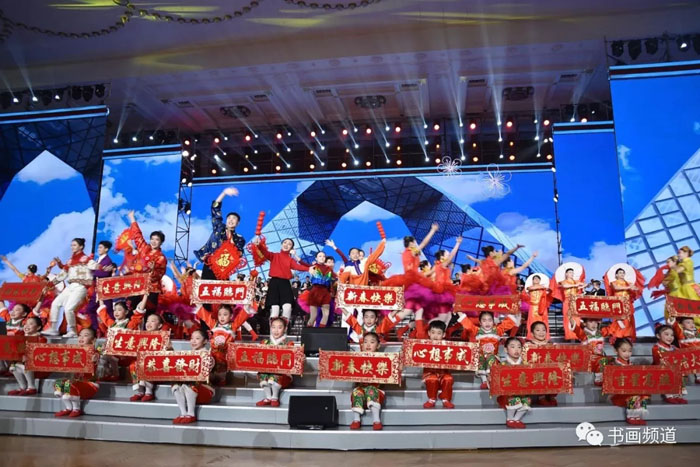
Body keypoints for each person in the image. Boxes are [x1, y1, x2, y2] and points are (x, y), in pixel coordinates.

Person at [455, 310, 520, 389]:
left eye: (490, 320)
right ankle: (484, 381)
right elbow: (467, 323)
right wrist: (458, 311)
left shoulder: (497, 330)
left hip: (493, 358)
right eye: (484, 320)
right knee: (481, 359)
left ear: (493, 321)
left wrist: (513, 310)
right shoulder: (477, 331)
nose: (487, 323)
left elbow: (507, 323)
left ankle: (491, 379)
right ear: (480, 322)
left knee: (491, 358)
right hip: (481, 358)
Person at [250, 237, 309, 322]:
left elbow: (298, 267)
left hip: (285, 284)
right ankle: (273, 329)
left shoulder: (290, 260)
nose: (286, 245)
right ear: (281, 244)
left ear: (291, 248)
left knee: (287, 307)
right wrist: (259, 245)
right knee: (275, 309)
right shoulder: (274, 255)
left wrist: (309, 269)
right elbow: (265, 252)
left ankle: (285, 328)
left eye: (289, 244)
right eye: (285, 242)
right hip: (274, 283)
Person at [44, 238, 93, 337]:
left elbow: (95, 266)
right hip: (71, 286)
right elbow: (62, 275)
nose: (72, 247)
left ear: (81, 247)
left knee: (68, 309)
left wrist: (103, 268)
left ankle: (73, 331)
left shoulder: (86, 259)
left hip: (80, 287)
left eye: (74, 245)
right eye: (71, 245)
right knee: (55, 303)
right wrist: (50, 285)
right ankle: (53, 328)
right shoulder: (70, 261)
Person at [194, 187, 244, 280]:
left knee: (221, 288)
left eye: (234, 219)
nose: (231, 220)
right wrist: (224, 193)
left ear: (238, 223)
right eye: (229, 218)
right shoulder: (219, 227)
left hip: (223, 269)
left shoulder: (239, 238)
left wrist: (231, 239)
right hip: (209, 265)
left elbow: (239, 253)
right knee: (207, 287)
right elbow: (215, 208)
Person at [600, 338, 650, 425]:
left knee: (642, 395)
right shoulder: (613, 365)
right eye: (624, 351)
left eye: (630, 351)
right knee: (633, 396)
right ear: (616, 351)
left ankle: (637, 415)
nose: (627, 354)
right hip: (618, 394)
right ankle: (631, 416)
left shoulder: (632, 365)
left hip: (629, 391)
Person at [53, 327, 100, 417]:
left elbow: (95, 359)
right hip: (75, 381)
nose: (81, 337)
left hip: (89, 384)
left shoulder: (94, 353)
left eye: (85, 335)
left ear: (93, 340)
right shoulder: (74, 352)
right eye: (80, 335)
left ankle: (76, 408)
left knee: (71, 385)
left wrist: (93, 360)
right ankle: (68, 408)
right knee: (59, 382)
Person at [172, 329, 215, 424]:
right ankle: (183, 413)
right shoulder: (188, 354)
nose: (193, 341)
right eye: (192, 338)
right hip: (189, 390)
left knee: (190, 383)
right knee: (175, 384)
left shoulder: (207, 355)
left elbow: (210, 376)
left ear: (205, 341)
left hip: (204, 390)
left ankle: (191, 414)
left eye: (197, 338)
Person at [126, 211, 167, 311]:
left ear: (161, 242)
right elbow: (137, 235)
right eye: (152, 239)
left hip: (151, 289)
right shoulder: (143, 248)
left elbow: (159, 274)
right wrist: (132, 218)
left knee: (148, 312)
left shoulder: (161, 257)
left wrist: (152, 270)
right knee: (130, 309)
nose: (154, 241)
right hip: (136, 284)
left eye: (157, 239)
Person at [493, 337, 532, 429]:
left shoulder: (525, 364)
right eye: (513, 347)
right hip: (507, 395)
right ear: (506, 349)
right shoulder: (503, 365)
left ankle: (516, 419)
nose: (516, 350)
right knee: (515, 399)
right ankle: (509, 419)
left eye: (519, 347)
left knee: (527, 401)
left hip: (521, 392)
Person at [415, 320, 455, 409]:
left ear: (444, 335)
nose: (435, 336)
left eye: (439, 333)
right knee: (432, 379)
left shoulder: (448, 346)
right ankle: (432, 399)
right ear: (429, 333)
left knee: (448, 379)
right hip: (429, 373)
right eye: (433, 332)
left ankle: (445, 399)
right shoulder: (424, 345)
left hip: (444, 373)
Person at [256, 317, 295, 407]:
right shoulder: (264, 342)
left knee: (275, 374)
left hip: (283, 375)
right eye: (273, 327)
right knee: (262, 374)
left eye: (279, 327)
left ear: (285, 329)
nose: (276, 330)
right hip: (268, 372)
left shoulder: (288, 344)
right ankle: (268, 397)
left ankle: (275, 397)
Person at [350, 332, 385, 430]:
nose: (368, 345)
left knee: (371, 389)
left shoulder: (383, 359)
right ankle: (356, 419)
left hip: (376, 391)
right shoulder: (357, 358)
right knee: (357, 392)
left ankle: (376, 420)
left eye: (372, 342)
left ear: (378, 345)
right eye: (365, 342)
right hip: (361, 389)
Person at [129, 313, 165, 402]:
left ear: (159, 325)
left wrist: (167, 348)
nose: (149, 323)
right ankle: (140, 391)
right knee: (133, 365)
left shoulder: (163, 337)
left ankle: (149, 392)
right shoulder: (142, 336)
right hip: (143, 362)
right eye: (147, 321)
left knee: (147, 363)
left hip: (157, 364)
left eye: (152, 321)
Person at [568, 316, 613, 386]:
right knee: (602, 360)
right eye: (591, 321)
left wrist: (619, 320)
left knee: (611, 360)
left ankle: (606, 378)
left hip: (599, 358)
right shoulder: (584, 334)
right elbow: (576, 329)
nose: (594, 324)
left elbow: (610, 329)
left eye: (595, 322)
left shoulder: (600, 333)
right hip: (589, 359)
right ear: (585, 323)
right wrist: (571, 319)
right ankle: (599, 379)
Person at [8, 316, 47, 396]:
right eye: (26, 324)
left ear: (38, 327)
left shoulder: (41, 339)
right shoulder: (21, 337)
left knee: (27, 364)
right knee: (13, 366)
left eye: (31, 324)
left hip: (36, 365)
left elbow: (38, 353)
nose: (27, 326)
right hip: (23, 363)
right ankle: (22, 387)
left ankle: (31, 387)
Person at [651, 324, 688, 404]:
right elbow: (658, 359)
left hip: (672, 368)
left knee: (678, 373)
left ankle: (678, 395)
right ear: (658, 336)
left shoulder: (673, 347)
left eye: (672, 335)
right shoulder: (656, 347)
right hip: (660, 369)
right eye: (666, 334)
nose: (670, 337)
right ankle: (669, 396)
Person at [84, 240, 116, 329]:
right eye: (98, 247)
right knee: (90, 309)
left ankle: (112, 329)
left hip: (104, 288)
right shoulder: (98, 260)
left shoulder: (107, 260)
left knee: (108, 310)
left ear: (106, 249)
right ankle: (96, 329)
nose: (98, 249)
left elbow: (103, 274)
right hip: (97, 288)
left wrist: (95, 271)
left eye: (101, 247)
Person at [524, 321, 557, 407]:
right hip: (534, 370)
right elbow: (524, 360)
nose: (541, 332)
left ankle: (551, 395)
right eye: (538, 330)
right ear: (532, 333)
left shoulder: (551, 344)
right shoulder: (528, 345)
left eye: (543, 330)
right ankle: (541, 397)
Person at [553, 266, 586, 341]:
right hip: (567, 301)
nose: (572, 274)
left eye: (572, 273)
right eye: (570, 272)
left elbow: (584, 284)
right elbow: (564, 286)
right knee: (568, 318)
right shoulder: (564, 281)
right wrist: (575, 285)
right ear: (566, 274)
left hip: (575, 301)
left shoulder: (575, 281)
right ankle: (569, 335)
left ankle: (577, 335)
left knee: (576, 318)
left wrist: (581, 286)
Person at [306, 251, 335, 327]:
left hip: (325, 292)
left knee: (326, 314)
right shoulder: (313, 267)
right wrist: (295, 256)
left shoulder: (329, 269)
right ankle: (308, 331)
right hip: (315, 291)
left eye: (323, 256)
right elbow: (302, 264)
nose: (322, 258)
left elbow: (336, 277)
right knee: (313, 316)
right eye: (320, 256)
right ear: (316, 258)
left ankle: (321, 331)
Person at [668, 315, 700, 384]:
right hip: (687, 354)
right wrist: (672, 318)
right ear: (682, 325)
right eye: (688, 323)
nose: (691, 324)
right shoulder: (681, 333)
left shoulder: (697, 332)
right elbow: (675, 326)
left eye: (692, 323)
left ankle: (698, 377)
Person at [525, 274, 551, 341]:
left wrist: (544, 288)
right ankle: (532, 337)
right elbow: (530, 288)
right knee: (532, 321)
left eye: (538, 279)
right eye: (535, 279)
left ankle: (543, 337)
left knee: (543, 321)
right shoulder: (530, 287)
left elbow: (549, 291)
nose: (536, 280)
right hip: (533, 307)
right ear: (532, 280)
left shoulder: (543, 288)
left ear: (540, 280)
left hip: (541, 307)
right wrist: (542, 287)